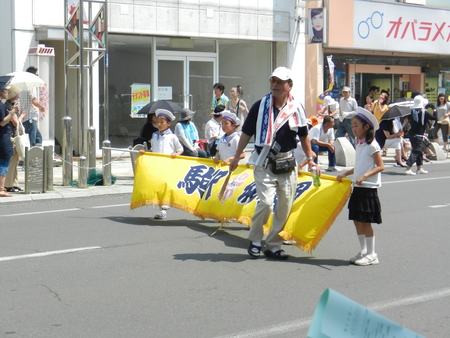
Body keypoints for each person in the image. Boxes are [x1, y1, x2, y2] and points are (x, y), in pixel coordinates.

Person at [229, 66, 317, 260]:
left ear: (289, 86)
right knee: (267, 203)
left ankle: (273, 245)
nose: (275, 85)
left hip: (287, 163)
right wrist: (237, 156)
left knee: (285, 205)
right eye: (273, 81)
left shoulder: (296, 108)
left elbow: (304, 135)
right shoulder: (260, 106)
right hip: (264, 161)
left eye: (279, 82)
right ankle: (255, 240)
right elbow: (246, 133)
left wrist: (310, 158)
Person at [336, 107, 384, 266]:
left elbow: (380, 166)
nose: (353, 129)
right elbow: (359, 165)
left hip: (368, 188)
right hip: (358, 188)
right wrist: (346, 173)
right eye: (353, 126)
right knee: (357, 220)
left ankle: (372, 254)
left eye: (356, 125)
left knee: (366, 221)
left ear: (366, 127)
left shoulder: (373, 145)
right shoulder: (359, 144)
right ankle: (363, 251)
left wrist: (364, 176)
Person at [150, 109, 184, 219]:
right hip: (156, 165)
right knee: (158, 186)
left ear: (168, 124)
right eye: (157, 122)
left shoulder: (172, 137)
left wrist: (176, 154)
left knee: (165, 186)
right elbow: (152, 149)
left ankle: (164, 209)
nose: (159, 125)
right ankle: (161, 208)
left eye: (161, 122)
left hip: (167, 166)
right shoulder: (154, 135)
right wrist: (145, 152)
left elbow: (180, 149)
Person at [405, 95, 436, 175]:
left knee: (419, 151)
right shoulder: (423, 112)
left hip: (412, 133)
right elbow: (434, 118)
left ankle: (419, 168)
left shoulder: (411, 111)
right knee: (416, 150)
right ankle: (408, 168)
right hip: (418, 134)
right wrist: (434, 110)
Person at [5, 85, 26, 192]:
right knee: (12, 161)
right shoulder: (9, 106)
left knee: (16, 160)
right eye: (17, 93)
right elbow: (15, 122)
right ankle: (8, 184)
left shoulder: (12, 105)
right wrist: (22, 115)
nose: (18, 95)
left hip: (14, 136)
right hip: (12, 137)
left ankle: (14, 183)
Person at [19, 66, 46, 146]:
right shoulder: (31, 86)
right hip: (30, 118)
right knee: (32, 141)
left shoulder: (23, 86)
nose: (38, 77)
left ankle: (37, 156)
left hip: (26, 118)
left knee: (38, 138)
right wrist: (42, 107)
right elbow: (34, 101)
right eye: (36, 75)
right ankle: (31, 157)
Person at [0, 80, 18, 197]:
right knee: (4, 162)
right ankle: (1, 188)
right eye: (5, 90)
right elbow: (2, 122)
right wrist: (13, 112)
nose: (7, 92)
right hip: (2, 136)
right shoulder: (1, 105)